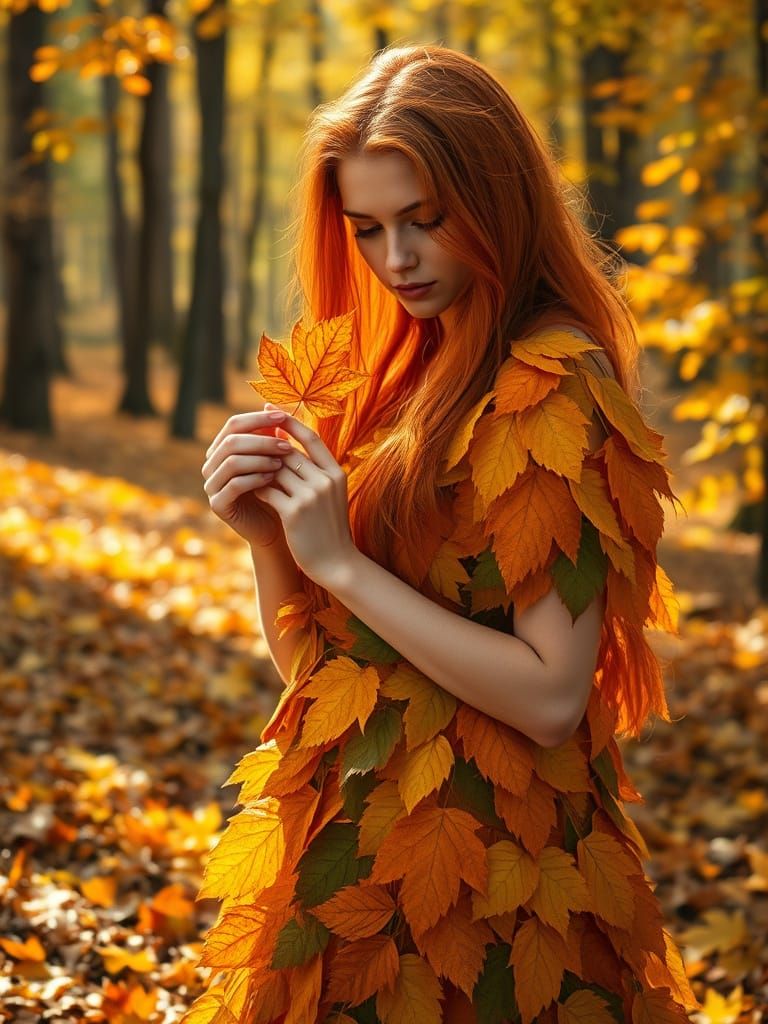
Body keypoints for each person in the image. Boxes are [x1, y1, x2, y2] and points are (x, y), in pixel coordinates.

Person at [194, 44, 699, 1024]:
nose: (397, 260)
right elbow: (320, 677)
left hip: (500, 908)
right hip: (348, 879)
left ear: (497, 194)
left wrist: (338, 559)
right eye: (370, 229)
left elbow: (552, 697)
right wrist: (270, 542)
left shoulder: (553, 386)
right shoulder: (402, 385)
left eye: (426, 220)